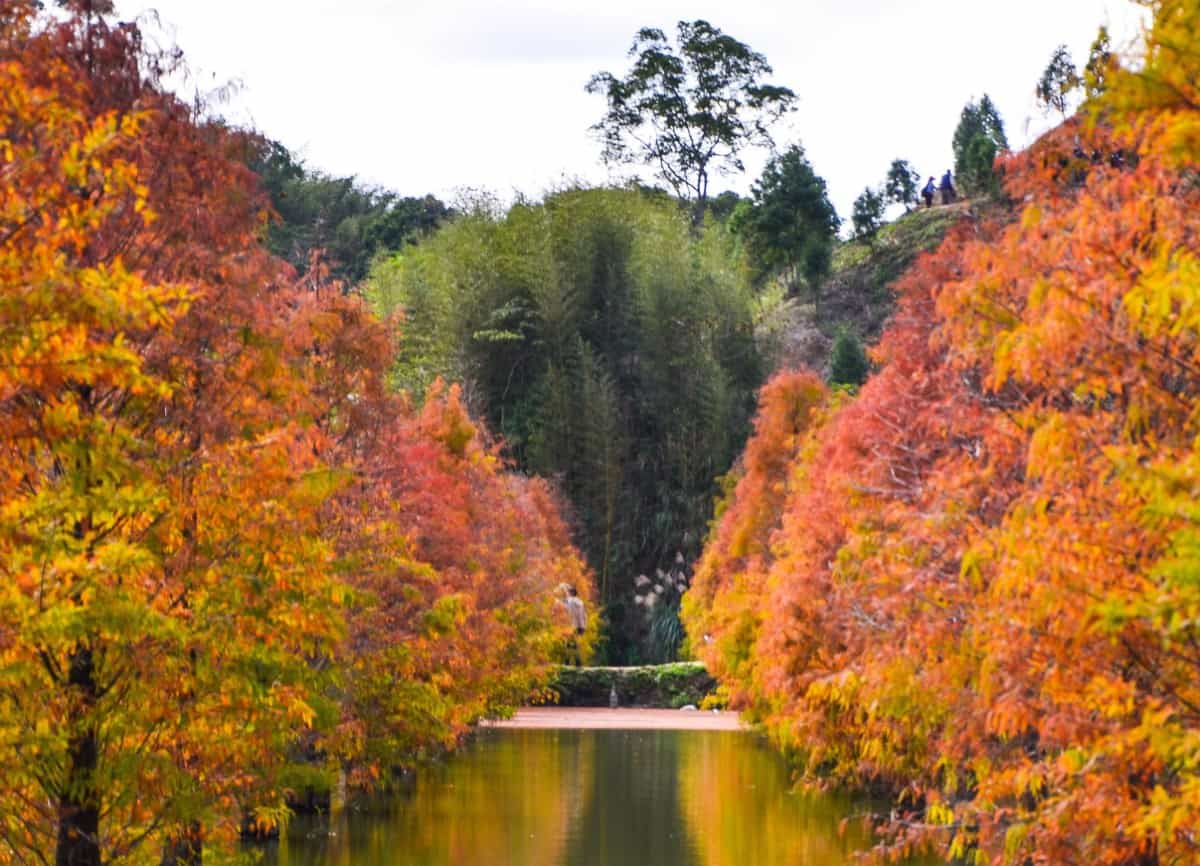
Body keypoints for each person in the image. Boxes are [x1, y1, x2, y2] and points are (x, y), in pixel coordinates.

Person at [563, 585, 587, 666]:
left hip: (569, 626)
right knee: (574, 643)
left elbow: (564, 613)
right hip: (578, 626)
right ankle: (576, 662)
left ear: (571, 593)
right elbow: (583, 615)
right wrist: (583, 627)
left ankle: (569, 661)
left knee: (569, 644)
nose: (567, 594)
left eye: (568, 592)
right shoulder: (580, 602)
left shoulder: (568, 602)